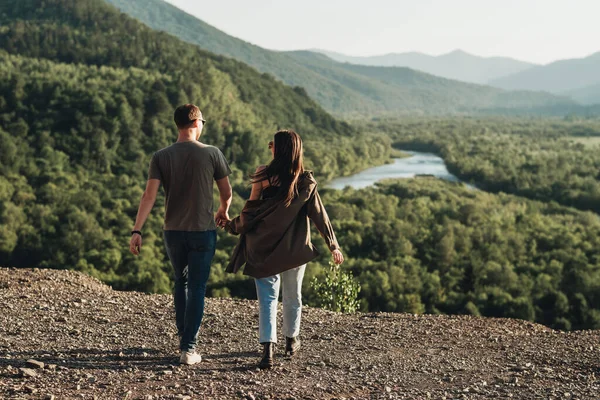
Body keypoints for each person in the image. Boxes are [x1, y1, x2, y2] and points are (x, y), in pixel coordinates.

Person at [223, 129, 344, 369]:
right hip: (294, 249)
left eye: (272, 145)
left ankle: (268, 350)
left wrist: (230, 225)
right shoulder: (306, 181)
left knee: (267, 299)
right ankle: (291, 341)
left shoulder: (263, 175)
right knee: (293, 296)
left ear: (276, 149)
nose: (270, 148)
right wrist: (333, 245)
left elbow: (249, 214)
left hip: (262, 248)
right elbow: (320, 216)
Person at [129, 104, 232, 365]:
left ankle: (183, 338)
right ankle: (188, 347)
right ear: (197, 123)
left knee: (180, 282)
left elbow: (148, 196)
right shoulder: (212, 153)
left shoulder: (160, 156)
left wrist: (137, 229)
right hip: (202, 230)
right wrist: (223, 211)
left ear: (177, 125)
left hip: (172, 231)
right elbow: (227, 192)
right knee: (197, 287)